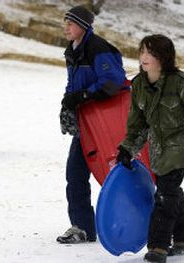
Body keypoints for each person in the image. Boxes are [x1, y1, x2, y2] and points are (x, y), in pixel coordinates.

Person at [116, 34, 184, 263]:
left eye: (151, 53)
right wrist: (127, 149)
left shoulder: (180, 83)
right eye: (142, 51)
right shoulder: (138, 85)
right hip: (158, 150)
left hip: (181, 146)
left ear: (163, 58)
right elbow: (137, 125)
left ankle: (158, 246)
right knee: (170, 191)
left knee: (164, 194)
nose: (144, 57)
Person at [57, 6, 127, 244]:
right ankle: (82, 227)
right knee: (75, 173)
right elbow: (72, 84)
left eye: (70, 23)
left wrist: (84, 96)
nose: (65, 27)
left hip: (108, 124)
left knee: (116, 174)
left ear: (83, 26)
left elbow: (114, 81)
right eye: (64, 22)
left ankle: (136, 221)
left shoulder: (97, 48)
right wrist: (68, 104)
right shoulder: (72, 51)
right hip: (86, 123)